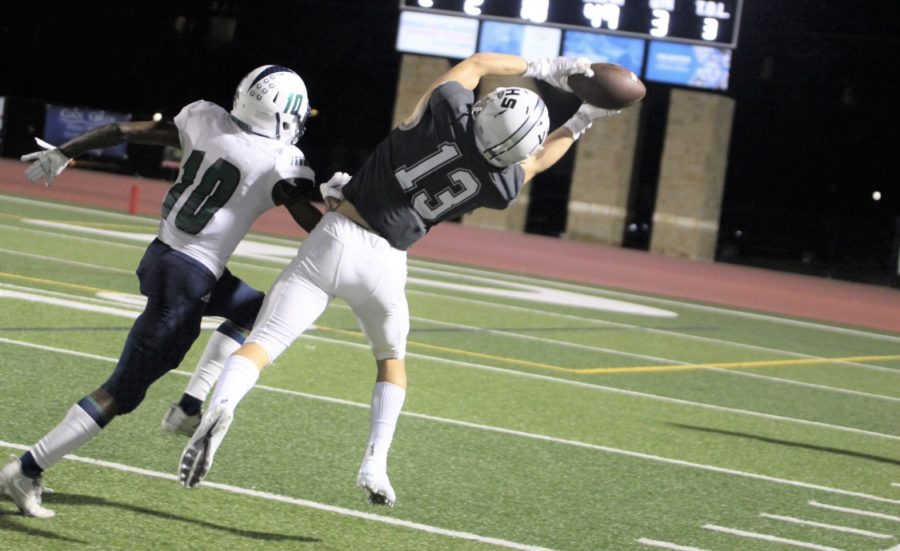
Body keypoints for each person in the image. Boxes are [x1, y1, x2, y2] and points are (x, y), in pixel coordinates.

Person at [178, 53, 629, 507]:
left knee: (265, 341)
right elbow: (536, 163)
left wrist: (545, 67)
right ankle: (375, 462)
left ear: (488, 108)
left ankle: (225, 403)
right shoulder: (501, 183)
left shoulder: (447, 113)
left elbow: (474, 65)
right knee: (391, 360)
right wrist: (583, 119)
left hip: (334, 237)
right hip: (385, 266)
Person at [0, 65, 323, 518]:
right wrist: (347, 214)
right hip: (188, 281)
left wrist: (64, 150)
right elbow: (311, 222)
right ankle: (26, 469)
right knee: (121, 392)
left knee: (259, 312)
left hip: (164, 258)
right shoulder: (279, 161)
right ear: (284, 116)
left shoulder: (205, 118)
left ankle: (190, 404)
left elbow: (121, 129)